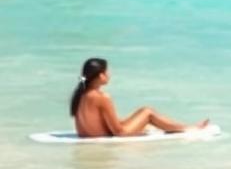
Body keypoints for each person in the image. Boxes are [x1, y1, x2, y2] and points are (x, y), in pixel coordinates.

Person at [71, 58, 209, 138]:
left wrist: (137, 125)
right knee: (147, 112)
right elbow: (118, 132)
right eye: (108, 72)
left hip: (88, 135)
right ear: (101, 76)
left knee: (141, 117)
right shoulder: (102, 97)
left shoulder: (81, 94)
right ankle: (187, 128)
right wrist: (137, 130)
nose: (110, 74)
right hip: (111, 135)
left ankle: (176, 127)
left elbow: (101, 122)